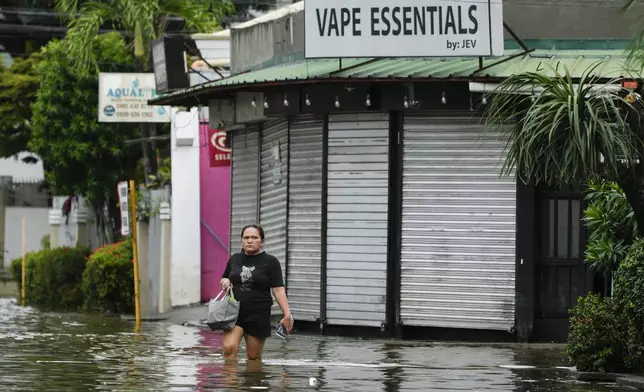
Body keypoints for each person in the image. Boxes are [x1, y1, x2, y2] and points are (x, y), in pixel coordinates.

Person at [220, 224, 294, 360]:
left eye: (254, 237)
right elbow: (225, 277)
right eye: (246, 237)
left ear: (262, 241)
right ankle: (230, 381)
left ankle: (253, 381)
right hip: (234, 312)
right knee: (229, 349)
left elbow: (278, 289)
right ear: (242, 240)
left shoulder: (271, 262)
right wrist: (225, 281)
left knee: (253, 356)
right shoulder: (235, 259)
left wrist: (287, 313)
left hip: (259, 314)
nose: (250, 241)